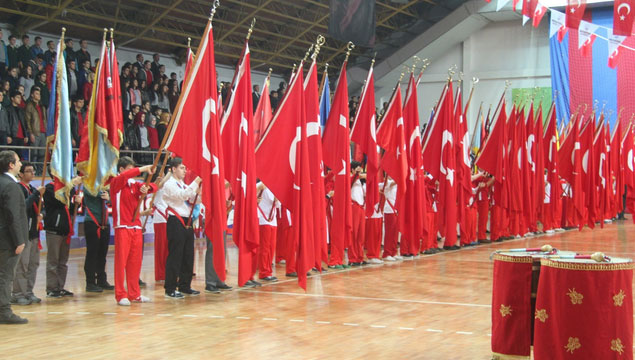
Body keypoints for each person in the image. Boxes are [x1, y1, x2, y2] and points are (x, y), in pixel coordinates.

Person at [109, 157, 156, 306]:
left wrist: (146, 188)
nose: (132, 172)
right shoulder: (116, 182)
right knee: (121, 262)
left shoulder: (134, 185)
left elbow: (154, 187)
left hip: (135, 226)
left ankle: (134, 294)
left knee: (135, 262)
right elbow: (124, 177)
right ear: (122, 169)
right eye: (129, 169)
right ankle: (120, 294)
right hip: (122, 226)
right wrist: (143, 169)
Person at [162, 157, 201, 299]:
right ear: (173, 169)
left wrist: (200, 191)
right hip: (176, 221)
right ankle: (170, 288)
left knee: (188, 255)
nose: (184, 171)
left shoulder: (183, 184)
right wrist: (196, 181)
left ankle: (185, 285)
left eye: (185, 168)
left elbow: (191, 199)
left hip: (188, 220)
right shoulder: (169, 184)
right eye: (181, 168)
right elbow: (182, 196)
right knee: (175, 255)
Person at [0, 151, 28, 324]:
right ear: (11, 164)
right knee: (5, 275)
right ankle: (4, 311)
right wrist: (19, 240)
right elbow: (12, 215)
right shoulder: (10, 185)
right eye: (18, 161)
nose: (20, 164)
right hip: (8, 239)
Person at [11, 162, 44, 305]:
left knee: (33, 264)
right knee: (22, 265)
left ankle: (29, 292)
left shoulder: (32, 189)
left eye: (33, 171)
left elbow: (41, 207)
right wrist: (36, 194)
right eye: (28, 171)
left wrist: (41, 214)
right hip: (24, 232)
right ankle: (18, 294)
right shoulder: (19, 188)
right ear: (21, 174)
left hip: (34, 231)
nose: (32, 173)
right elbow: (23, 206)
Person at [43, 175, 80, 298]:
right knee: (53, 260)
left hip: (65, 229)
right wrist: (70, 185)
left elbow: (69, 207)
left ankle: (60, 287)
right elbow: (59, 201)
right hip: (54, 229)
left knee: (63, 262)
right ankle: (52, 288)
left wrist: (77, 204)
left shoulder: (68, 188)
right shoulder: (49, 188)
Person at [82, 188, 114, 293]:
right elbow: (93, 192)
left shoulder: (104, 185)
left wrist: (109, 194)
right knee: (92, 253)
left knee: (102, 254)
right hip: (92, 222)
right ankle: (90, 282)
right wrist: (107, 192)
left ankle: (101, 279)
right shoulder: (89, 183)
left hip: (105, 222)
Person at [256, 181, 279, 282]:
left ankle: (268, 270)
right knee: (264, 247)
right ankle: (263, 272)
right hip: (263, 219)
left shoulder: (275, 186)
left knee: (271, 247)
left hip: (273, 219)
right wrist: (259, 188)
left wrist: (277, 198)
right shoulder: (260, 184)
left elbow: (278, 205)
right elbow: (250, 194)